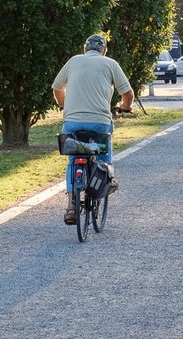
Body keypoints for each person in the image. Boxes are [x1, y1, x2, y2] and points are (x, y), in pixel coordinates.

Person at [52, 34, 133, 225]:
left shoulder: (74, 61)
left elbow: (56, 88)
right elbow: (127, 94)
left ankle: (72, 205)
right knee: (103, 154)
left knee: (73, 160)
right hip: (99, 122)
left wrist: (65, 106)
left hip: (72, 122)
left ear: (85, 48)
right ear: (104, 50)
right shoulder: (110, 63)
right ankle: (108, 177)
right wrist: (125, 107)